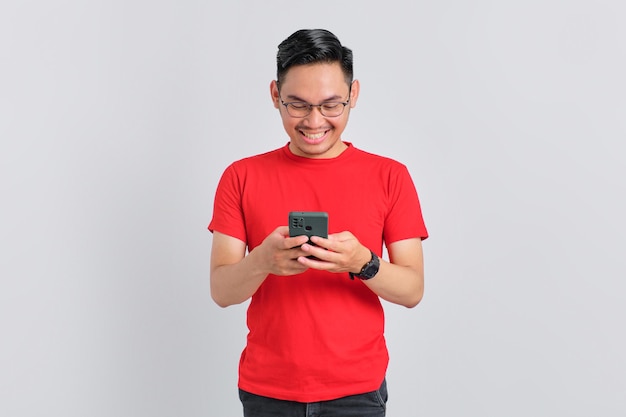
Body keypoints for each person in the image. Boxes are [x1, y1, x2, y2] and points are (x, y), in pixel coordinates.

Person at [208, 28, 428, 417]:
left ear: (353, 95)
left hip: (357, 392)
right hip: (267, 391)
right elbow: (222, 291)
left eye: (331, 106)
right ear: (275, 95)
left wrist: (362, 262)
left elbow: (412, 290)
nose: (314, 122)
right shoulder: (240, 177)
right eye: (297, 104)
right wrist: (262, 261)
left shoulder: (390, 176)